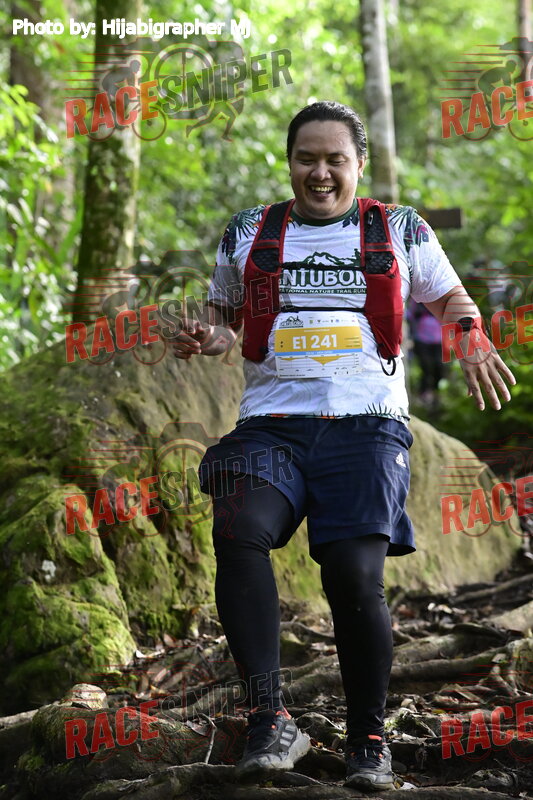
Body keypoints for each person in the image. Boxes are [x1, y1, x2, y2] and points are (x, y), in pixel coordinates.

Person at [166, 101, 515, 791]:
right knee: (238, 530)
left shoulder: (400, 228)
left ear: (359, 163)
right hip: (271, 425)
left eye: (334, 160)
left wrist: (469, 334)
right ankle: (269, 719)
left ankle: (368, 738)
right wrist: (210, 336)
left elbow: (449, 298)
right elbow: (227, 318)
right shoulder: (249, 230)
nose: (320, 173)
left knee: (353, 576)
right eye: (307, 159)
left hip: (366, 426)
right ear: (290, 162)